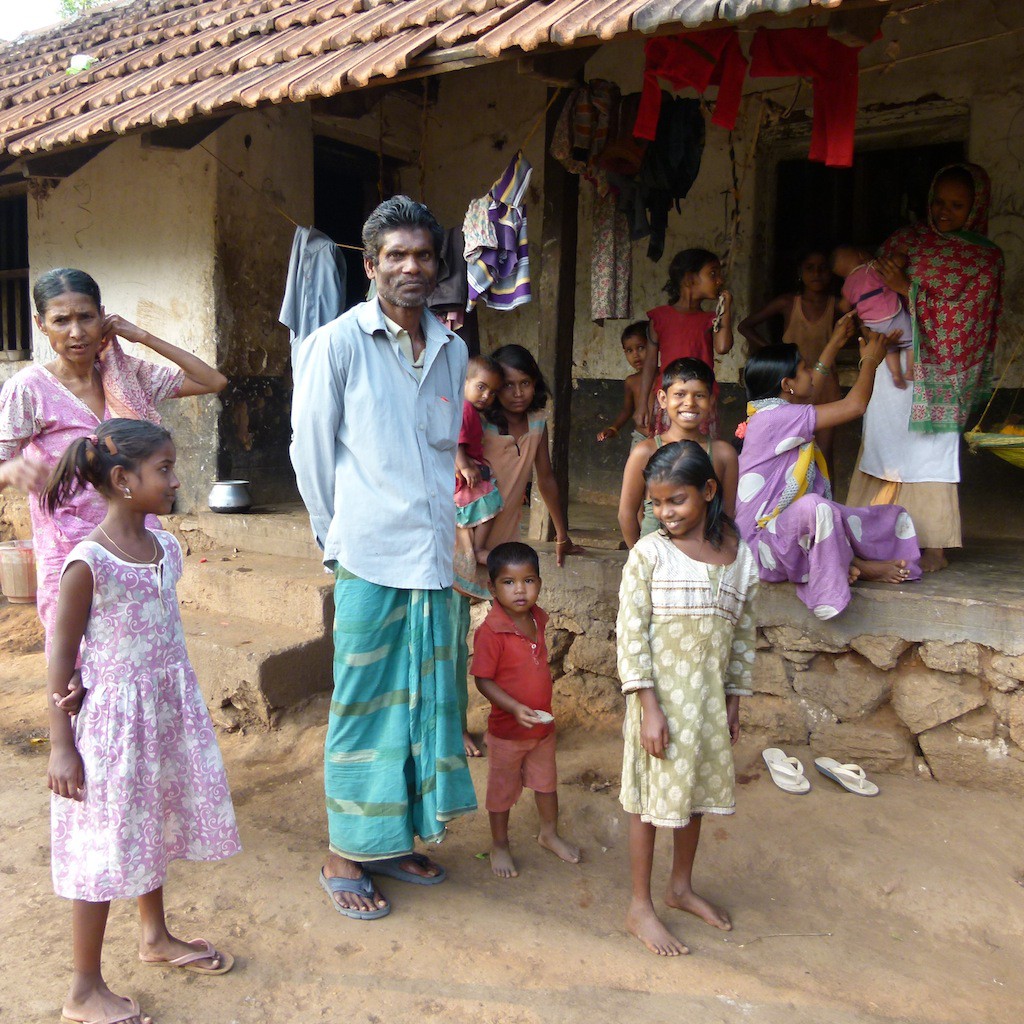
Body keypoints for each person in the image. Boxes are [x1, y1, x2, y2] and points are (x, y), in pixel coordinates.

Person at [290, 195, 477, 921]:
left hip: (432, 558)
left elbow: (440, 455)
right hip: (366, 556)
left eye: (423, 256)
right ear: (369, 266)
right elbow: (310, 452)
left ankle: (390, 839)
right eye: (395, 256)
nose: (410, 267)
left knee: (424, 704)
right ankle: (344, 853)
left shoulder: (454, 348)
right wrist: (332, 540)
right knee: (364, 706)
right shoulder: (335, 343)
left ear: (438, 267)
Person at [44, 418, 239, 1024]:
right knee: (103, 848)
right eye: (165, 470)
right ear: (124, 480)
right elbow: (61, 653)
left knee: (150, 821)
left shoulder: (167, 548)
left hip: (162, 715)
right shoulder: (89, 563)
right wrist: (60, 745)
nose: (176, 480)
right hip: (111, 730)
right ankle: (82, 988)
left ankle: (154, 936)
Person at [0, 268, 227, 654]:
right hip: (70, 554)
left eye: (86, 317)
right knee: (77, 665)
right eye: (61, 320)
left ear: (103, 316)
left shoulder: (125, 375)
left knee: (144, 652)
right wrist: (9, 471)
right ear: (41, 325)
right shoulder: (29, 390)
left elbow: (212, 381)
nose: (76, 332)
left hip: (138, 545)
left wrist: (140, 336)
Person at [616, 441, 758, 957]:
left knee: (692, 794)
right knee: (648, 803)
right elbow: (630, 635)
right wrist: (647, 706)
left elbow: (743, 635)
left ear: (709, 491)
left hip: (707, 705)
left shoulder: (739, 558)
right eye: (655, 504)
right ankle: (639, 905)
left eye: (676, 500)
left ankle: (679, 887)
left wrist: (734, 700)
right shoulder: (649, 555)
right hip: (658, 705)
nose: (664, 513)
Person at [847, 163, 1005, 573]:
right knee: (885, 442)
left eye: (957, 205)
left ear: (975, 207)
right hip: (893, 362)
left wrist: (907, 289)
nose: (943, 212)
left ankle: (934, 545)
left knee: (933, 453)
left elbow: (968, 316)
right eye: (938, 202)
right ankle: (870, 534)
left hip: (942, 372)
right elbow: (869, 291)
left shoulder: (984, 258)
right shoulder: (905, 240)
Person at [735, 319, 922, 621]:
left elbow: (812, 388)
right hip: (761, 550)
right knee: (816, 509)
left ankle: (851, 562)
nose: (811, 374)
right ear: (787, 386)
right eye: (804, 369)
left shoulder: (776, 411)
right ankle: (837, 581)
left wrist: (835, 341)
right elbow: (854, 406)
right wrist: (871, 361)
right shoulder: (775, 419)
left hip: (779, 537)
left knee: (867, 516)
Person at [451, 344, 583, 758]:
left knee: (509, 642)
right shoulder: (476, 422)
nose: (516, 393)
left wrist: (562, 532)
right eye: (506, 385)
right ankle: (452, 728)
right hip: (465, 541)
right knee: (453, 643)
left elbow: (544, 477)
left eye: (525, 383)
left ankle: (512, 723)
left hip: (504, 548)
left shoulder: (539, 422)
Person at [471, 541, 580, 878]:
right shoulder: (490, 632)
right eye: (508, 582)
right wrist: (515, 707)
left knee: (547, 785)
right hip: (507, 732)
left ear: (540, 584)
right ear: (492, 587)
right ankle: (499, 844)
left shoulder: (538, 618)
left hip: (542, 729)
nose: (520, 590)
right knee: (501, 793)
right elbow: (483, 681)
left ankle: (549, 833)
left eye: (529, 581)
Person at [618, 358, 738, 548]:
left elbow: (728, 515)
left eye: (699, 395)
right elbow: (626, 514)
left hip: (704, 563)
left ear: (711, 400)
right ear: (663, 399)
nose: (689, 403)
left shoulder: (724, 454)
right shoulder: (645, 452)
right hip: (656, 564)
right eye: (680, 394)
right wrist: (639, 560)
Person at [738, 250, 840, 473]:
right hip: (794, 385)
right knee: (791, 451)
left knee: (824, 452)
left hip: (826, 385)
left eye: (823, 268)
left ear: (831, 273)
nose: (817, 273)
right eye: (810, 268)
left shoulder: (837, 305)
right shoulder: (787, 303)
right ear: (800, 273)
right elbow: (745, 325)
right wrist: (775, 354)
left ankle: (827, 503)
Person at [634, 249, 734, 436]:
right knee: (668, 453)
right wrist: (642, 405)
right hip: (670, 399)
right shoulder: (660, 318)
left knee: (699, 453)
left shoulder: (710, 319)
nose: (719, 280)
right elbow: (649, 364)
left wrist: (726, 307)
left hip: (701, 398)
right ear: (689, 279)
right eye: (713, 273)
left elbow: (722, 347)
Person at [832, 245, 914, 389]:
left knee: (889, 348)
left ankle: (895, 374)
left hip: (872, 325)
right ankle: (910, 370)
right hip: (892, 315)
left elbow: (844, 307)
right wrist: (901, 253)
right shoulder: (871, 268)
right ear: (861, 255)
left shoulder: (846, 286)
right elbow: (897, 262)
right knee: (912, 341)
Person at [456, 353, 505, 565]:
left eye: (492, 392)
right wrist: (465, 467)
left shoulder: (471, 410)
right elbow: (455, 443)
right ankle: (478, 548)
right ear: (464, 382)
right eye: (481, 387)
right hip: (465, 473)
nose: (486, 396)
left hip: (470, 469)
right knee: (490, 501)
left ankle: (476, 547)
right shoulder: (465, 409)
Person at [596, 321, 650, 443]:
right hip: (641, 437)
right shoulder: (631, 381)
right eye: (629, 350)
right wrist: (613, 428)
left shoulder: (665, 377)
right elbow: (627, 410)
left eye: (641, 348)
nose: (635, 355)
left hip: (664, 437)